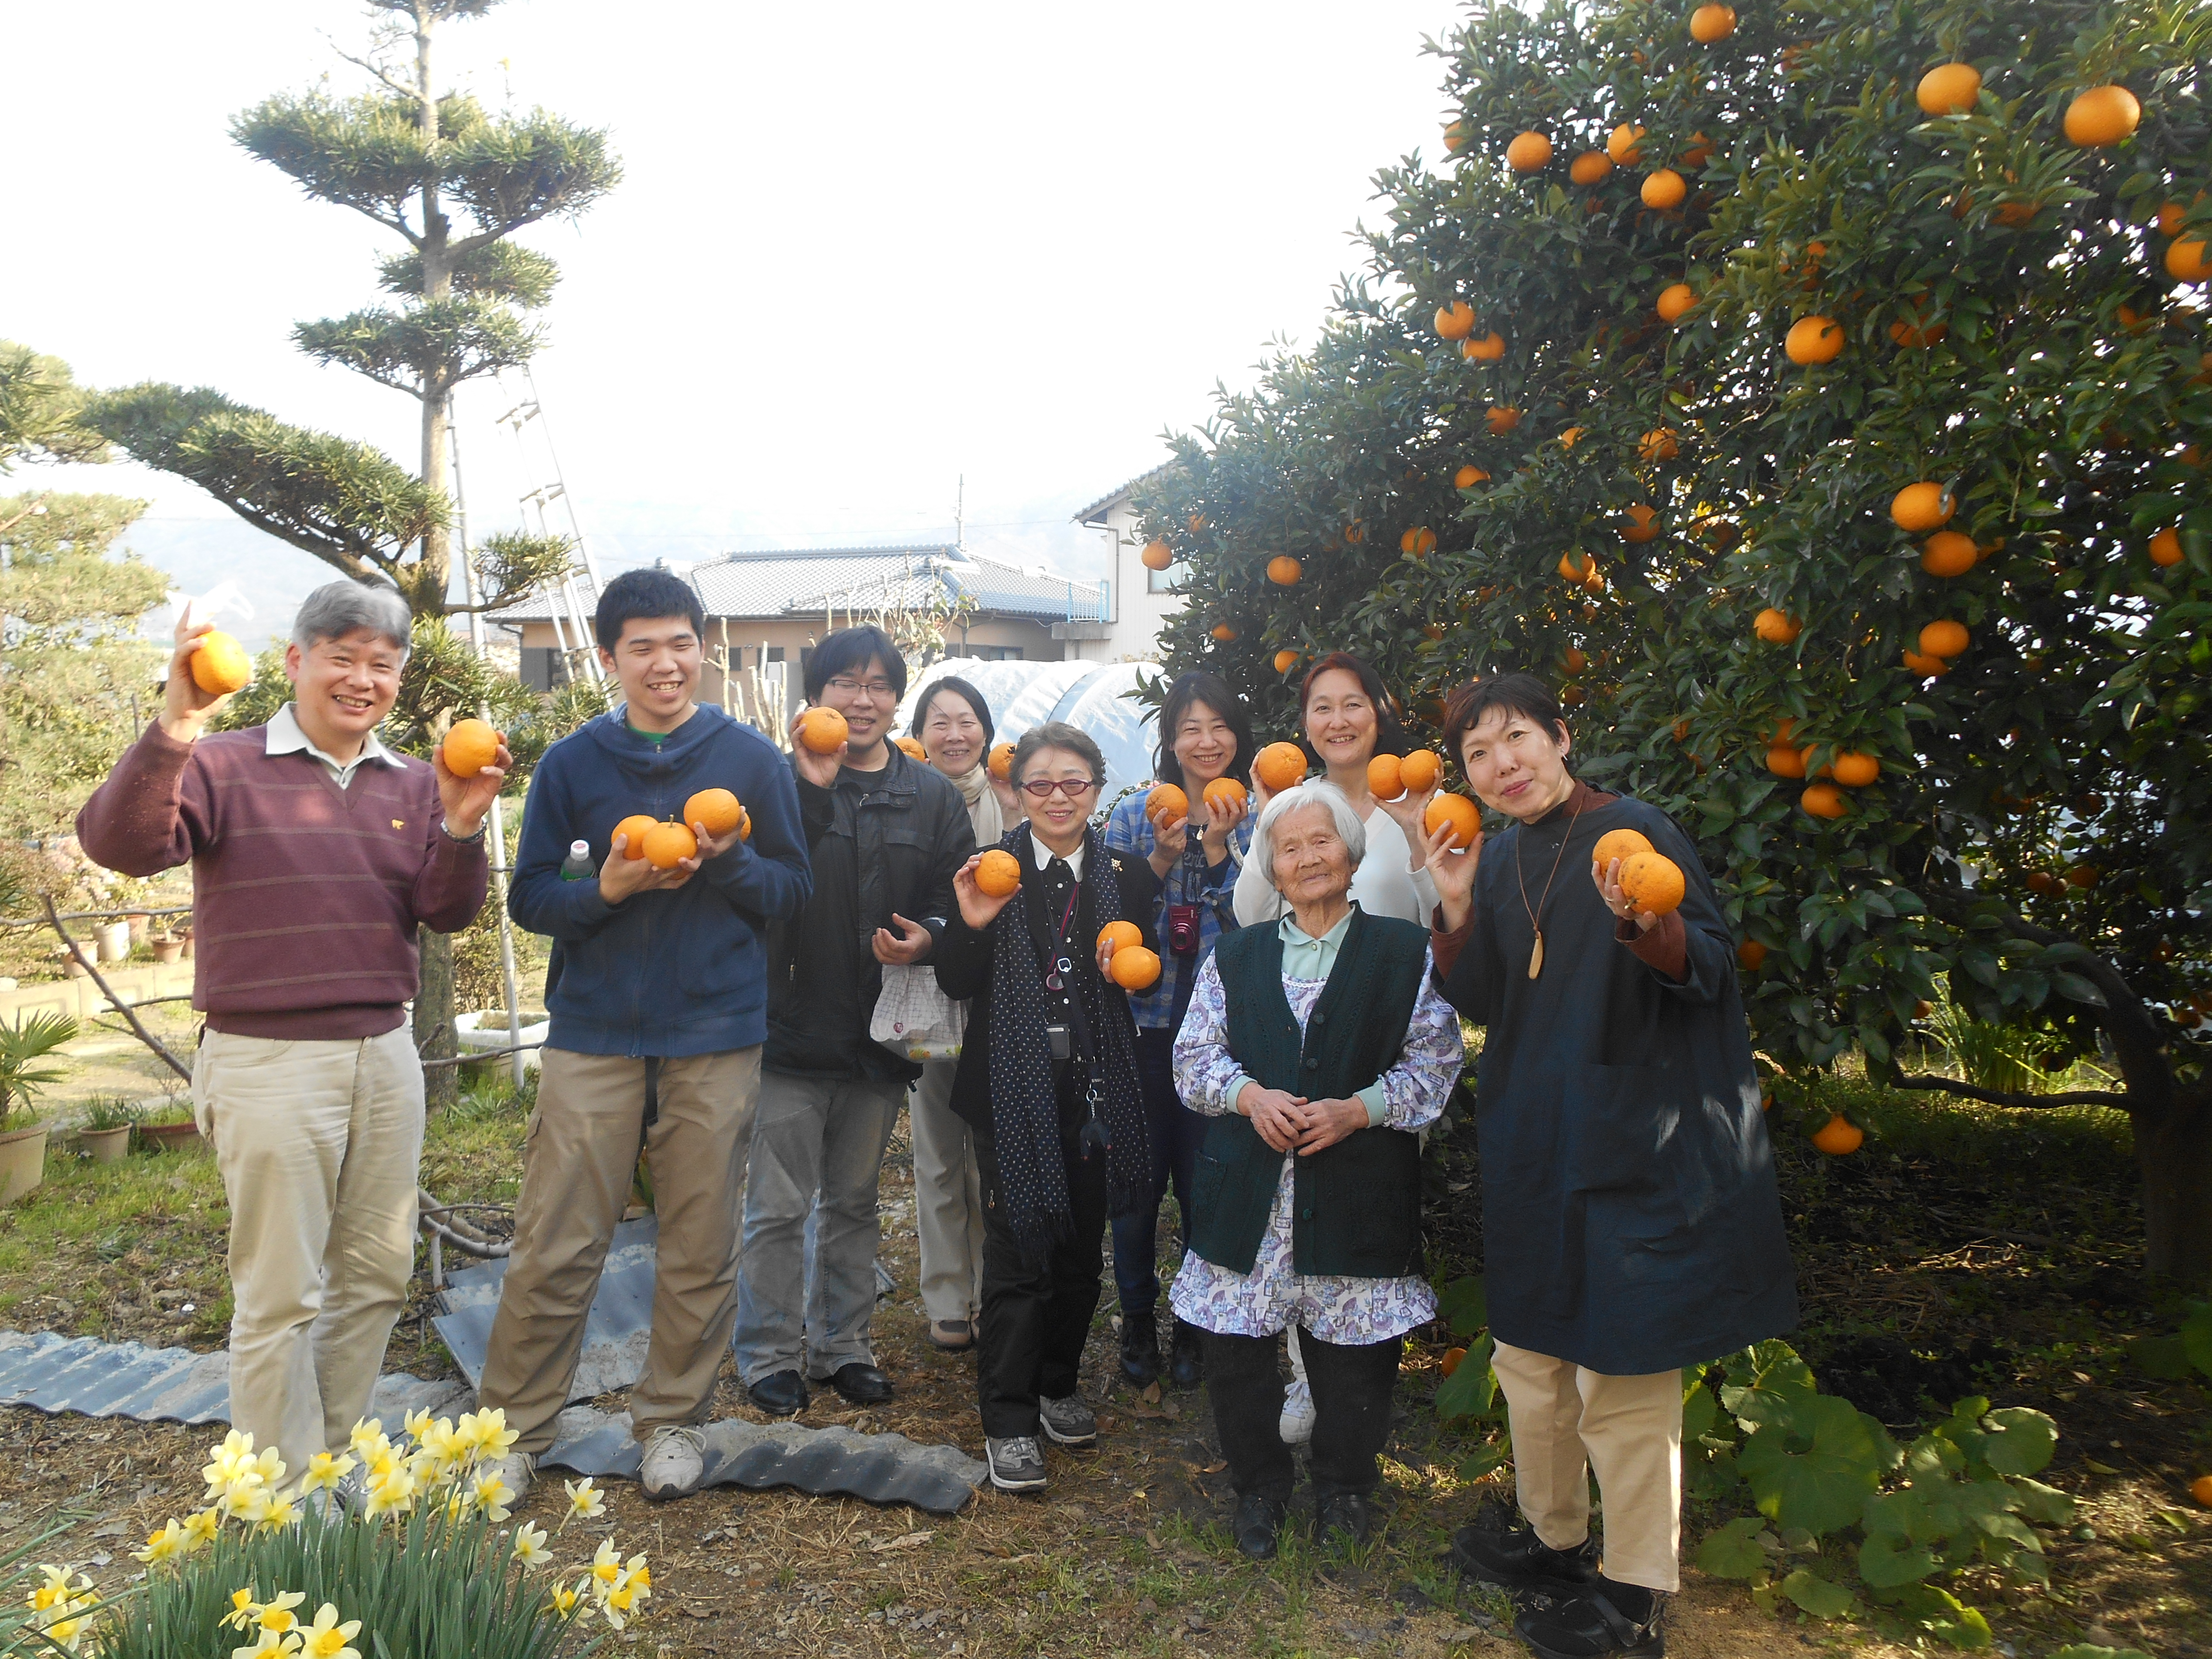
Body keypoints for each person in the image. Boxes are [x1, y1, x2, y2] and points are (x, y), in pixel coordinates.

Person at [76, 581, 497, 1484]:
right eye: (341, 656)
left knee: (376, 1279)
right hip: (267, 1059)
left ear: (398, 679)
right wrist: (176, 723)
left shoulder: (417, 782)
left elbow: (445, 912)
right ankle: (276, 1497)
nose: (362, 678)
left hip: (383, 1054)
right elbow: (121, 845)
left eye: (381, 664)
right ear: (297, 660)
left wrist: (462, 826)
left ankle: (328, 1467)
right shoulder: (223, 764)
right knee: (280, 1293)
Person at [1420, 674, 1797, 1659]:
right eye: (1476, 755)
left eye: (1514, 740)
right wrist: (1454, 908)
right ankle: (1553, 1538)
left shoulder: (1636, 831)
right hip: (1535, 1139)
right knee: (1529, 1358)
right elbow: (1488, 1005)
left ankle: (1632, 1595)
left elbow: (1706, 966)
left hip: (1632, 1136)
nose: (1499, 765)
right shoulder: (1496, 859)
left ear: (1558, 737)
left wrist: (1642, 921)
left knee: (1621, 1373)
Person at [477, 570, 811, 1501]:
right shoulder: (573, 765)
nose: (664, 664)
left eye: (679, 643)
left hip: (716, 1031)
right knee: (556, 1236)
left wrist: (733, 862)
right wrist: (608, 892)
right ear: (611, 657)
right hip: (594, 1032)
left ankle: (672, 1421)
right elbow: (531, 895)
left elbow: (793, 893)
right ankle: (515, 1430)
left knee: (701, 1238)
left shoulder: (749, 761)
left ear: (703, 647)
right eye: (642, 647)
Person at [1170, 781, 1462, 1556]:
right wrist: (1249, 1095)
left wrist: (1356, 1109)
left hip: (1357, 1191)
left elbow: (1436, 1065)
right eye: (1289, 848)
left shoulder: (1406, 954)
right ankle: (1258, 1490)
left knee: (1355, 1363)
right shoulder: (1235, 956)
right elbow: (1193, 1059)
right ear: (1271, 865)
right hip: (1250, 1198)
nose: (1307, 859)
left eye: (1321, 842)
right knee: (1236, 1357)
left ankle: (1344, 1493)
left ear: (1351, 852)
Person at [733, 626, 975, 1415]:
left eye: (878, 685)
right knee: (776, 1204)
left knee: (855, 1199)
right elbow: (755, 883)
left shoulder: (931, 794)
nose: (862, 699)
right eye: (845, 683)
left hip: (881, 1033)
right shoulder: (775, 784)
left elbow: (954, 889)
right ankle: (768, 1352)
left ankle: (843, 1346)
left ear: (895, 697)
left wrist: (931, 936)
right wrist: (808, 788)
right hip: (792, 1024)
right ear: (816, 696)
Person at [934, 723, 1160, 1492]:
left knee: (1078, 1247)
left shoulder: (1129, 877)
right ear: (1015, 790)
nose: (1058, 796)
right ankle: (1008, 1414)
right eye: (1041, 784)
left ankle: (1058, 1381)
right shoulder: (988, 872)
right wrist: (966, 925)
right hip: (1009, 1088)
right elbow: (958, 983)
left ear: (1098, 790)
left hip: (1097, 1089)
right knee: (1020, 1248)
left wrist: (1128, 975)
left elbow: (1150, 974)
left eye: (1075, 783)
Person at [1231, 650, 1442, 1444]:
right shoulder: (1292, 808)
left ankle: (1361, 1366)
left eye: (1354, 703)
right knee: (1293, 1205)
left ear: (1378, 713)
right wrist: (1262, 825)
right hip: (1300, 1028)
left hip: (1387, 1035)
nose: (1339, 719)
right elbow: (1251, 917)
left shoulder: (1415, 802)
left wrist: (1421, 831)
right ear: (1305, 725)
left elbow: (1439, 916)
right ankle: (1303, 1374)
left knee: (1371, 1199)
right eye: (1323, 707)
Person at [1100, 671, 1253, 1389]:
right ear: (1169, 741)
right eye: (1190, 728)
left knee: (1205, 1183)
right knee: (1135, 1180)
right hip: (1144, 1024)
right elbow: (1111, 915)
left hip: (1224, 1036)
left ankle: (1195, 1323)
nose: (1206, 741)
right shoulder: (1134, 817)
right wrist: (1163, 854)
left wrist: (1220, 848)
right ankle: (1137, 1319)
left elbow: (1258, 927)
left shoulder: (1263, 818)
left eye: (1217, 726)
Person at [904, 676, 1002, 1352]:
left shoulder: (1020, 797)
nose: (954, 734)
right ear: (919, 735)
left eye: (965, 720)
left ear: (987, 732)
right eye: (938, 722)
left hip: (1002, 1001)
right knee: (937, 1148)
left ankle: (993, 1286)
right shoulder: (904, 803)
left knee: (991, 1156)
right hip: (932, 995)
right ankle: (946, 1293)